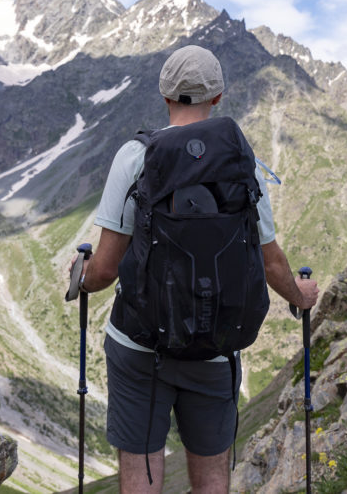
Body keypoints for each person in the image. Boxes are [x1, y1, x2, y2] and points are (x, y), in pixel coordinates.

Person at [70, 44, 320, 493]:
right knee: (210, 480)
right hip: (215, 346)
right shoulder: (245, 166)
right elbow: (270, 262)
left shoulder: (135, 157)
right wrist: (302, 297)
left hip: (139, 346)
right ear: (218, 97)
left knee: (142, 475)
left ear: (165, 95)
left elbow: (105, 270)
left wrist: (80, 275)